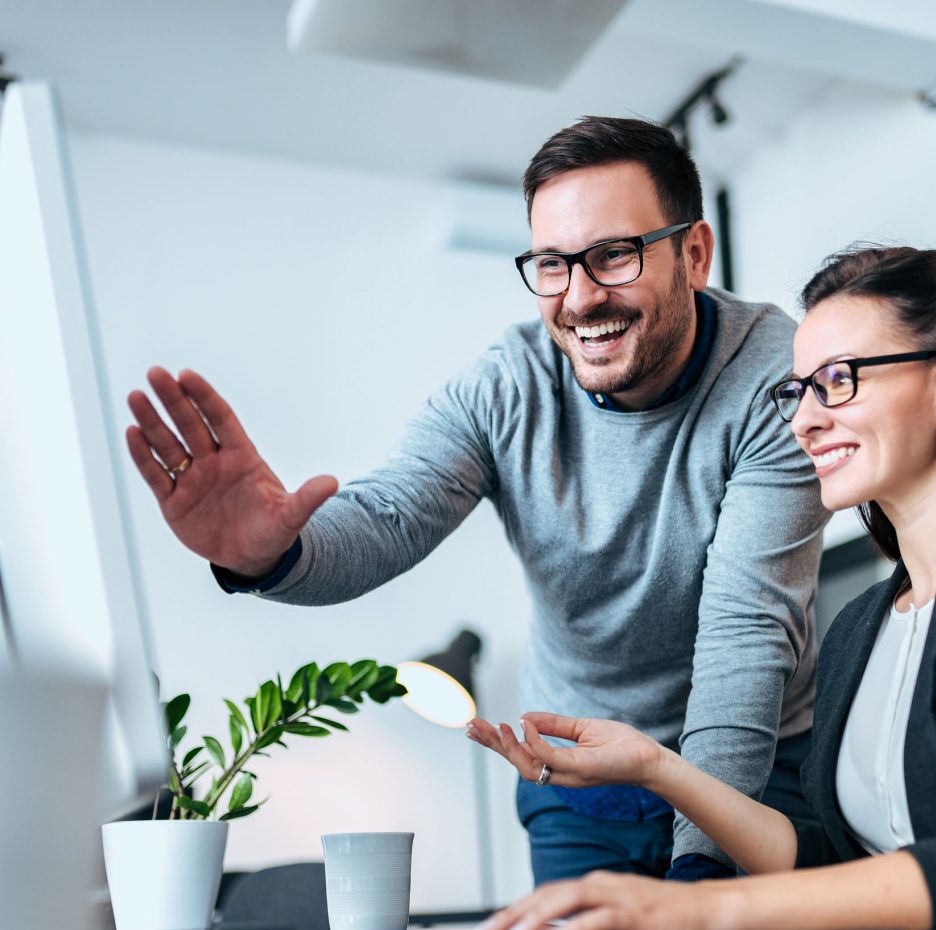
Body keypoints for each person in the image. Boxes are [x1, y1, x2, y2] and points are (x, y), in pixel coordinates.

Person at [125, 116, 826, 885]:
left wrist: (702, 885)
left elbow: (746, 639)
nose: (580, 298)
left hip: (751, 770)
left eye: (614, 256)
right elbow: (390, 516)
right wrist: (270, 554)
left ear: (694, 254)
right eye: (553, 264)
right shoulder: (506, 387)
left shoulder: (779, 381)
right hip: (575, 776)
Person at [468, 244, 936, 930]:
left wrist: (694, 909)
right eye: (798, 391)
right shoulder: (859, 627)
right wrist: (656, 767)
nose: (805, 421)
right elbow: (841, 864)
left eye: (840, 380)